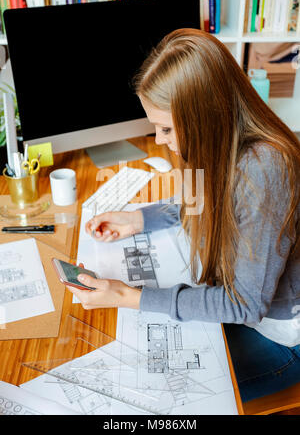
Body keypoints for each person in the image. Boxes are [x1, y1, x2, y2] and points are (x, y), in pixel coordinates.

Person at [68, 29, 300, 403]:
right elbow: (203, 202)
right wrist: (140, 219)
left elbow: (245, 305)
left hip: (279, 336)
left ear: (206, 116)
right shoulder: (215, 144)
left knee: (151, 394)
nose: (159, 140)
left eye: (166, 128)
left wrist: (130, 295)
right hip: (244, 305)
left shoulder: (266, 170)